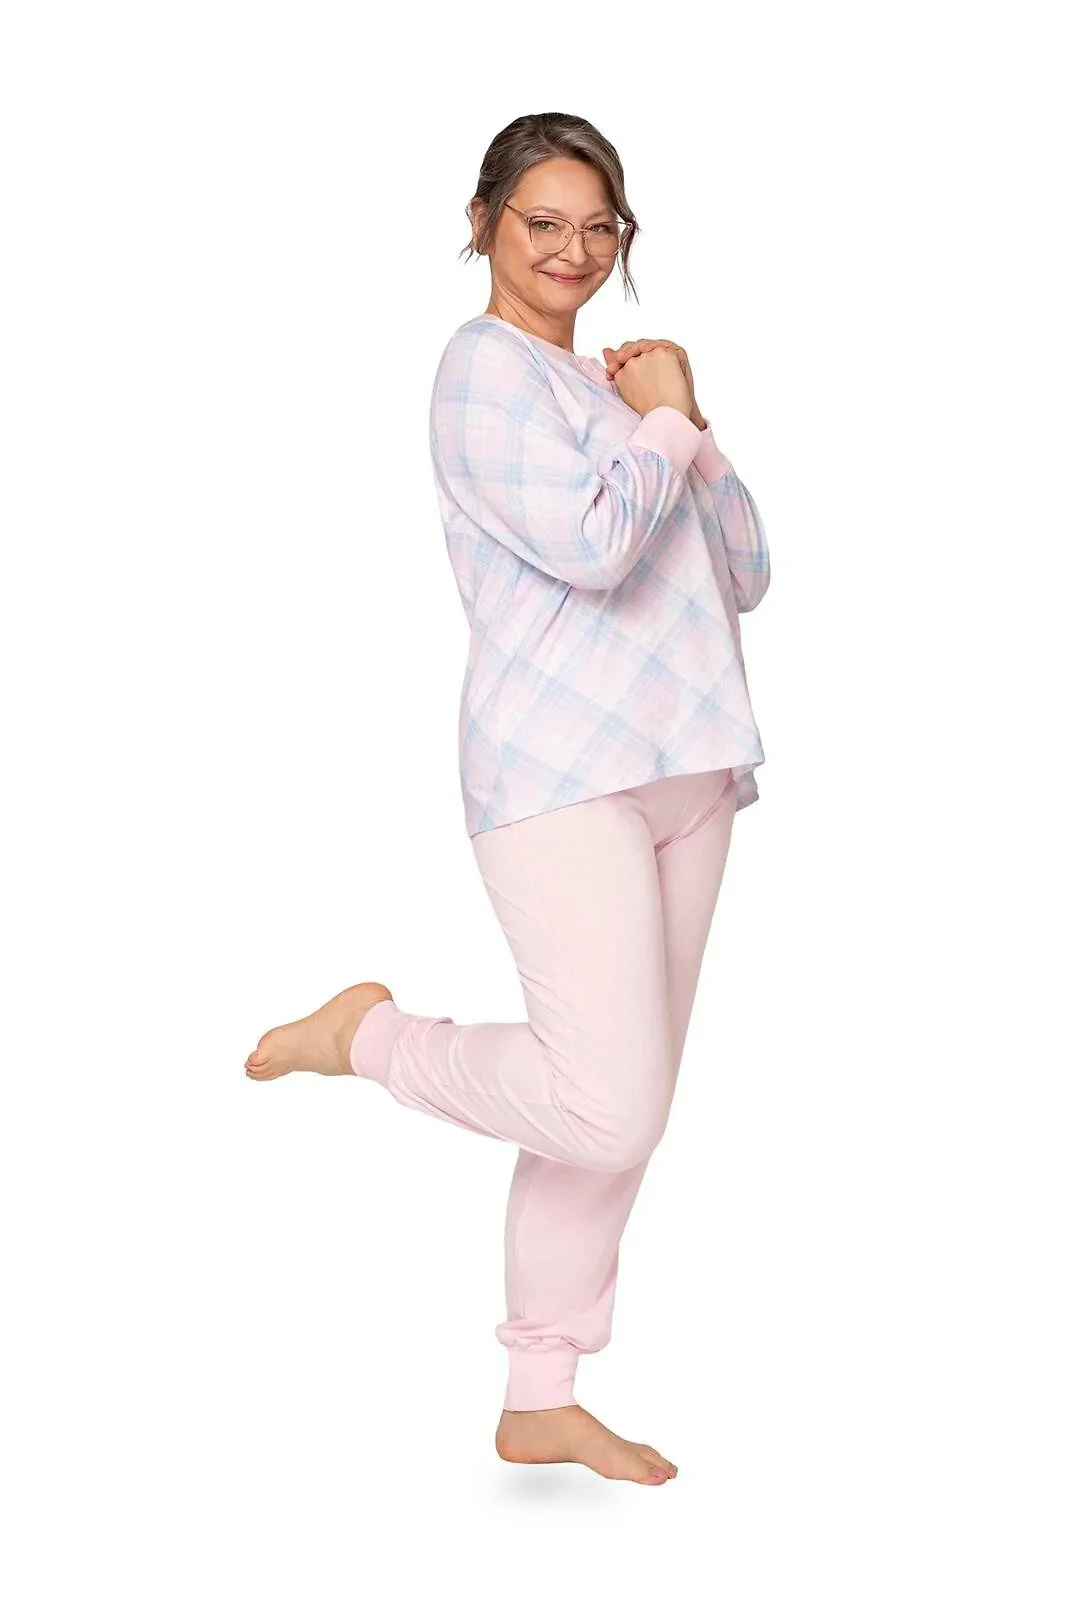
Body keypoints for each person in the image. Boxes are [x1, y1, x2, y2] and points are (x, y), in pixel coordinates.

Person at [244, 112, 770, 1487]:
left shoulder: (617, 391)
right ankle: (369, 1038)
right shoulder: (480, 371)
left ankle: (541, 1393)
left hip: (687, 769)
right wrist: (663, 417)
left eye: (599, 228)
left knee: (610, 1103)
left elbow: (748, 568)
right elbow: (596, 548)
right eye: (543, 223)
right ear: (483, 224)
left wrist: (689, 421)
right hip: (558, 768)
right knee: (610, 1102)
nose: (573, 251)